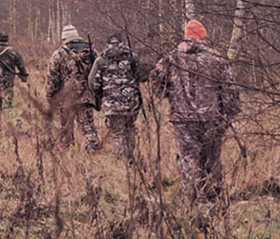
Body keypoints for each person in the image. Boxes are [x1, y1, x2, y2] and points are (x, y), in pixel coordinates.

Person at [150, 19, 241, 201]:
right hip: (213, 117)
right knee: (212, 159)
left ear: (186, 37)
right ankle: (212, 197)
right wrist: (230, 112)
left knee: (187, 158)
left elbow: (156, 84)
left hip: (183, 119)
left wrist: (172, 95)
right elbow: (230, 90)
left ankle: (190, 198)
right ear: (204, 37)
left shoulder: (170, 58)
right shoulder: (217, 59)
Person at [88, 34, 143, 163]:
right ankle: (129, 158)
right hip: (131, 103)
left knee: (117, 133)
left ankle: (121, 161)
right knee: (129, 129)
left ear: (108, 44)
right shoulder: (132, 57)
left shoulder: (101, 60)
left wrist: (101, 95)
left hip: (112, 104)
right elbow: (140, 75)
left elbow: (92, 83)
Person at [46, 25, 99, 150]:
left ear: (64, 38)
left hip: (66, 97)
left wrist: (50, 97)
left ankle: (68, 152)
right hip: (86, 95)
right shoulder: (91, 51)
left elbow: (52, 77)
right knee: (87, 125)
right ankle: (92, 146)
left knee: (66, 127)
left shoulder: (59, 53)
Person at [0, 31, 29, 114]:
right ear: (7, 40)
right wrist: (24, 75)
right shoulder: (13, 51)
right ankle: (7, 120)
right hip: (8, 80)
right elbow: (21, 65)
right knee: (7, 101)